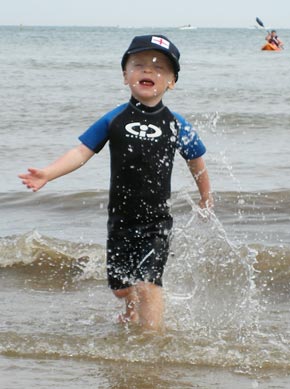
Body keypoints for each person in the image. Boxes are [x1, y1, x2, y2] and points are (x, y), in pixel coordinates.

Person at [19, 34, 213, 331]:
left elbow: (196, 160)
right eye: (139, 64)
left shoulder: (177, 124)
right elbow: (80, 152)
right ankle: (131, 306)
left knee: (149, 281)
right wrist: (48, 173)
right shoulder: (114, 119)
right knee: (122, 287)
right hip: (120, 220)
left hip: (156, 222)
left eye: (159, 67)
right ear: (126, 76)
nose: (148, 70)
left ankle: (153, 339)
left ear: (172, 81)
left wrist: (205, 196)